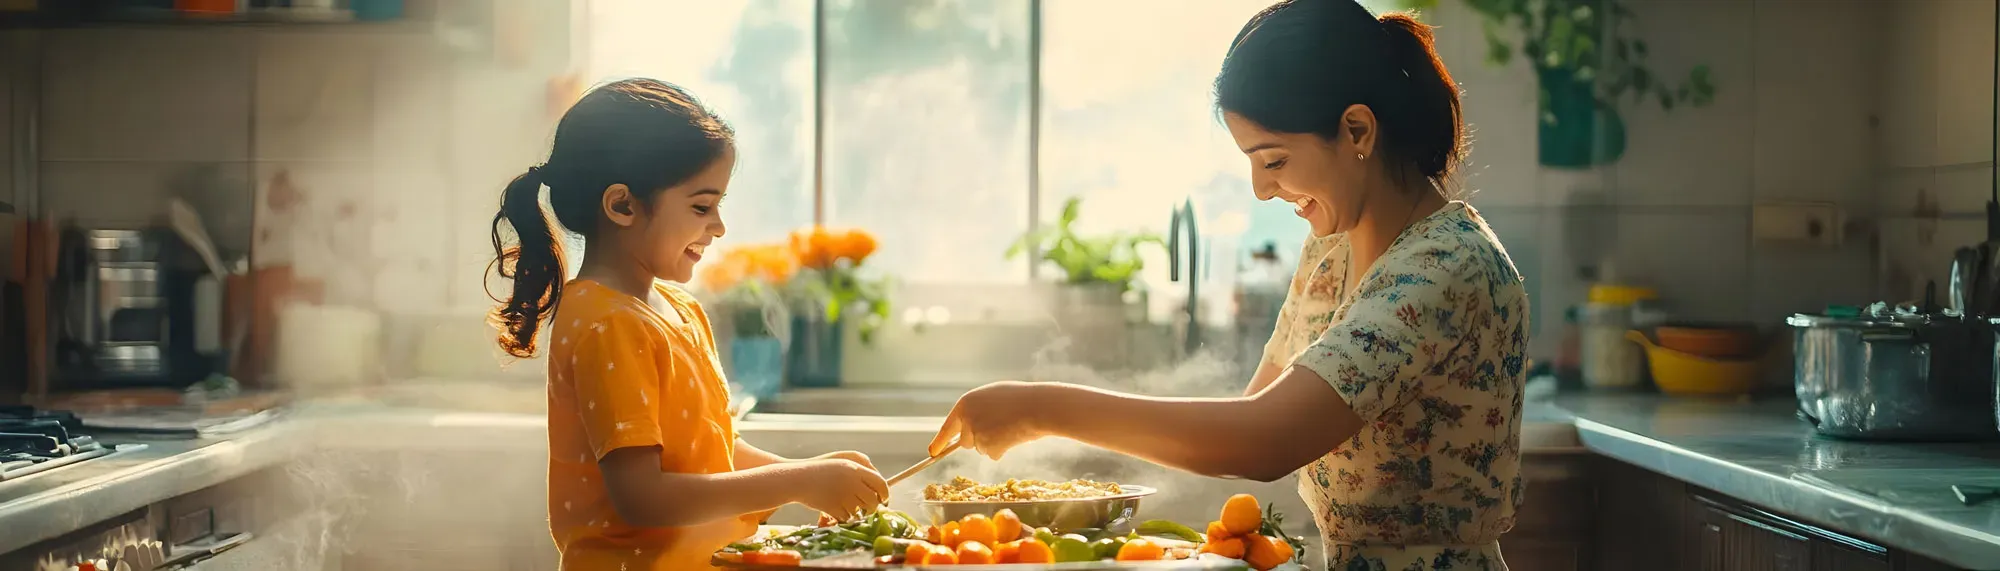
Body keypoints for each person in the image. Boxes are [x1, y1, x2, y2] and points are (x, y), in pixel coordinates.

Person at [926, 1, 1529, 569]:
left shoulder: (1446, 269)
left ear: (1357, 132)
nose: (1261, 190)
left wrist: (1041, 407)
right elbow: (1251, 412)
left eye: (1274, 161)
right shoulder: (1330, 253)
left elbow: (1262, 442)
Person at [489, 78, 889, 571]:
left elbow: (714, 452)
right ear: (622, 206)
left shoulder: (679, 308)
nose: (718, 226)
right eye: (702, 206)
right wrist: (801, 482)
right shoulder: (608, 324)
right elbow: (644, 497)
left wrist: (812, 476)